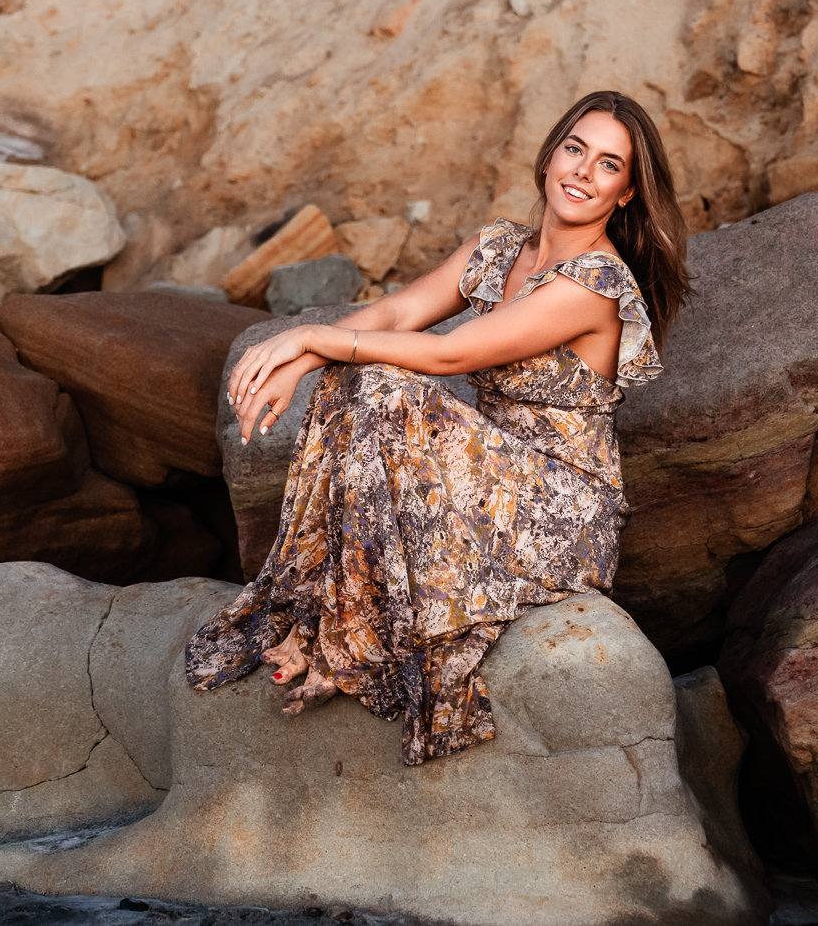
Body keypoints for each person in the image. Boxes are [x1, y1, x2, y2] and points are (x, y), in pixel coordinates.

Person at [183, 90, 692, 765]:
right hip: (487, 481)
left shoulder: (594, 283)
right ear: (550, 153)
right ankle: (326, 607)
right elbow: (395, 315)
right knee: (353, 374)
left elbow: (452, 353)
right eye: (575, 148)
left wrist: (310, 333)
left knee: (384, 381)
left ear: (625, 193)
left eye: (607, 165)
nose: (582, 172)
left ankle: (350, 636)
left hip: (560, 506)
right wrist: (301, 355)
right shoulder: (498, 248)